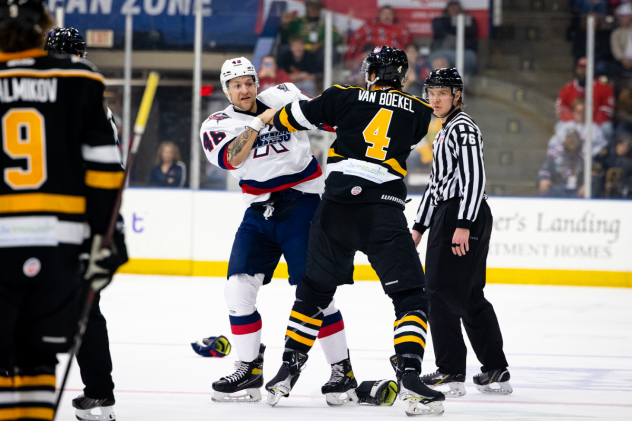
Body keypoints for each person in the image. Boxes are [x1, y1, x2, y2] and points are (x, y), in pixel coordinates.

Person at [266, 46, 446, 416]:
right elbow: (399, 132)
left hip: (336, 209)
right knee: (411, 297)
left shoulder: (341, 97)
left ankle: (287, 370)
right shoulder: (421, 112)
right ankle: (410, 375)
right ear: (402, 75)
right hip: (383, 211)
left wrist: (267, 115)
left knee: (313, 293)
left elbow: (289, 118)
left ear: (373, 73)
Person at [199, 57, 352, 405]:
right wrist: (259, 121)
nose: (244, 89)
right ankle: (249, 369)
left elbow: (325, 118)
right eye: (235, 84)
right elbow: (233, 159)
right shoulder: (216, 123)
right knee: (237, 291)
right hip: (258, 211)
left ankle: (342, 371)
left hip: (303, 203)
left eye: (248, 81)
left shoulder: (284, 95)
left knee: (315, 292)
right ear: (226, 90)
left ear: (257, 82)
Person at [0, 2, 126, 421]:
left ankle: (97, 391)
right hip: (62, 237)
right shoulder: (81, 82)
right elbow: (105, 170)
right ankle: (96, 393)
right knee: (64, 331)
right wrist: (111, 235)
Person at [413, 68, 512, 399]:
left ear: (457, 94)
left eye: (442, 92)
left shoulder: (463, 128)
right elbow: (436, 184)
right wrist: (419, 226)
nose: (435, 98)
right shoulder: (444, 130)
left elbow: (474, 178)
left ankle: (450, 371)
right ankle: (495, 368)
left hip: (460, 215)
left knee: (438, 292)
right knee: (468, 295)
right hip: (454, 214)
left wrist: (464, 224)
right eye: (431, 92)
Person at [43, 26, 123, 421]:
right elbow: (111, 170)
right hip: (77, 222)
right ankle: (100, 395)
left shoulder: (29, 90)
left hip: (31, 218)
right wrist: (109, 227)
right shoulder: (92, 98)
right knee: (86, 309)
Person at [555, 58, 614, 136]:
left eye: (586, 68)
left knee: (607, 127)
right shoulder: (568, 88)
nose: (583, 71)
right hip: (574, 122)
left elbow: (608, 110)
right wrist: (576, 119)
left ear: (592, 70)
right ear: (577, 70)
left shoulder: (603, 87)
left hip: (595, 123)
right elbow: (560, 108)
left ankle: (602, 148)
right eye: (581, 68)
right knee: (558, 126)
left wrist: (590, 119)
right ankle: (567, 148)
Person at [345, 6, 412, 63]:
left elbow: (409, 46)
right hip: (373, 59)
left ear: (393, 16)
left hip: (394, 60)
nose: (387, 16)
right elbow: (355, 38)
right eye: (384, 13)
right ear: (379, 15)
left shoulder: (400, 30)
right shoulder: (370, 27)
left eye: (389, 14)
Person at [430, 0, 478, 75]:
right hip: (443, 52)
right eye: (451, 8)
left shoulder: (470, 21)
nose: (454, 10)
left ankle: (464, 83)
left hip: (466, 53)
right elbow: (438, 30)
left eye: (456, 8)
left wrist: (454, 25)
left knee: (469, 59)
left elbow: (469, 32)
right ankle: (443, 84)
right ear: (446, 10)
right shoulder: (439, 21)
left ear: (461, 10)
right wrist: (452, 22)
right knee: (439, 57)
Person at [539, 130, 585, 197]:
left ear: (579, 140)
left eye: (574, 138)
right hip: (558, 189)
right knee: (544, 185)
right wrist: (544, 179)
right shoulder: (555, 155)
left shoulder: (585, 157)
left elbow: (592, 175)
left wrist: (587, 185)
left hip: (578, 190)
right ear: (564, 140)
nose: (571, 140)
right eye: (569, 138)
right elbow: (545, 171)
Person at [610, 3, 632, 75]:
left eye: (624, 17)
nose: (621, 19)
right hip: (622, 62)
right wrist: (623, 59)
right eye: (620, 17)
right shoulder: (616, 33)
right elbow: (616, 49)